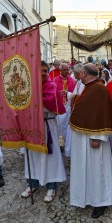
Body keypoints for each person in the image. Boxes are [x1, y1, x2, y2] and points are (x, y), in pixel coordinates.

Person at [69, 63, 112, 218]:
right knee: (86, 169)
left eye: (80, 73)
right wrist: (72, 97)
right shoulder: (89, 87)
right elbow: (88, 108)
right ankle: (88, 197)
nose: (78, 75)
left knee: (97, 170)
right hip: (84, 137)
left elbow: (102, 114)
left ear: (83, 73)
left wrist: (98, 137)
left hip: (93, 139)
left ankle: (101, 201)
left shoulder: (99, 89)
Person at [21, 61, 66, 202]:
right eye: (40, 70)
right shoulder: (28, 86)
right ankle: (32, 183)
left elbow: (53, 107)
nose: (43, 73)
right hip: (32, 126)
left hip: (47, 125)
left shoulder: (52, 86)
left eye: (46, 70)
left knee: (49, 157)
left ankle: (51, 186)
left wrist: (36, 103)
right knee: (33, 155)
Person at [64, 63, 85, 157]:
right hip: (75, 111)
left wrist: (68, 94)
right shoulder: (79, 82)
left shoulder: (84, 83)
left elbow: (80, 97)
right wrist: (68, 94)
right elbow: (75, 95)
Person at [54, 63, 76, 142]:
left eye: (67, 69)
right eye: (64, 70)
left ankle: (68, 143)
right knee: (59, 126)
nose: (67, 71)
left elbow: (74, 94)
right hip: (60, 106)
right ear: (60, 71)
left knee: (68, 126)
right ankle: (58, 143)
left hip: (69, 106)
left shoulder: (72, 80)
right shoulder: (55, 81)